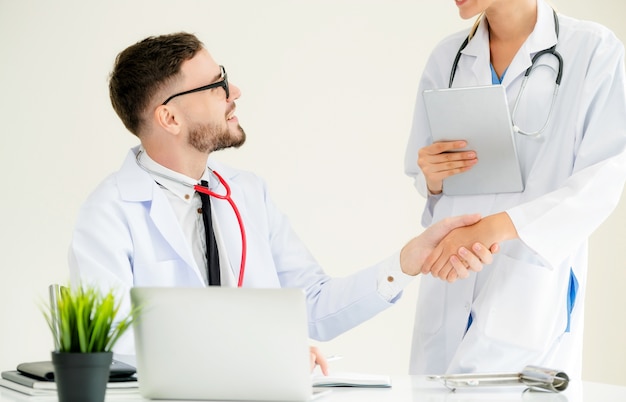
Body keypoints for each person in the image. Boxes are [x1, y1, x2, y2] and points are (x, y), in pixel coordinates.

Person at [68, 32, 497, 368]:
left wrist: (407, 261)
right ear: (169, 117)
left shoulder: (247, 193)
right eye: (215, 84)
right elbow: (116, 351)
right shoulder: (109, 214)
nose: (234, 90)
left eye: (225, 75)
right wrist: (252, 357)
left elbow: (310, 308)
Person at [404, 0, 626, 379]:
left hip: (528, 282)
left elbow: (603, 179)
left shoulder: (593, 50)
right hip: (453, 275)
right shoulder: (449, 57)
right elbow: (424, 177)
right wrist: (433, 176)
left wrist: (494, 227)